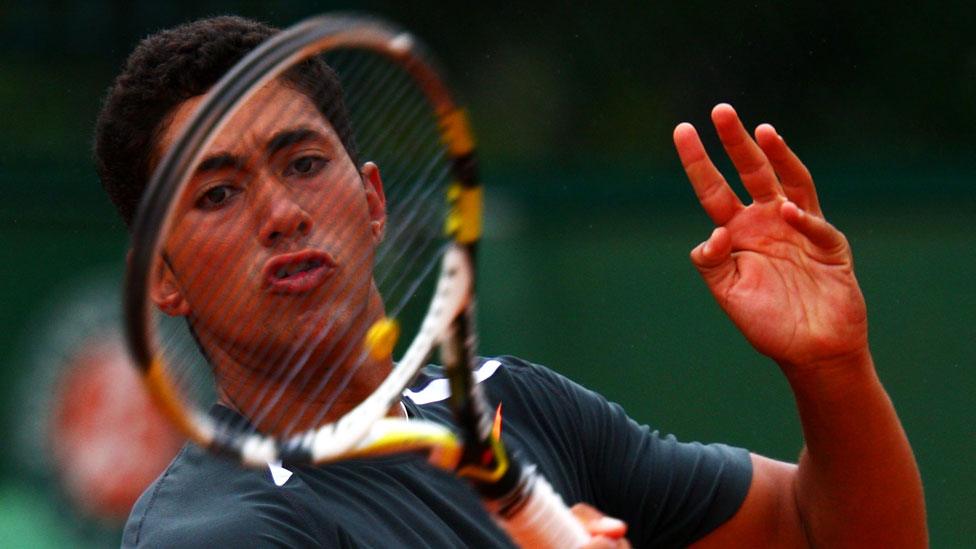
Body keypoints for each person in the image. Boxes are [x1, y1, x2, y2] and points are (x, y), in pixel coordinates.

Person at [94, 16, 926, 548]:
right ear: (161, 279)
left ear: (373, 200)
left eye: (305, 163)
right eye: (217, 193)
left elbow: (828, 535)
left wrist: (832, 372)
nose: (279, 212)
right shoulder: (211, 534)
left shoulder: (523, 408)